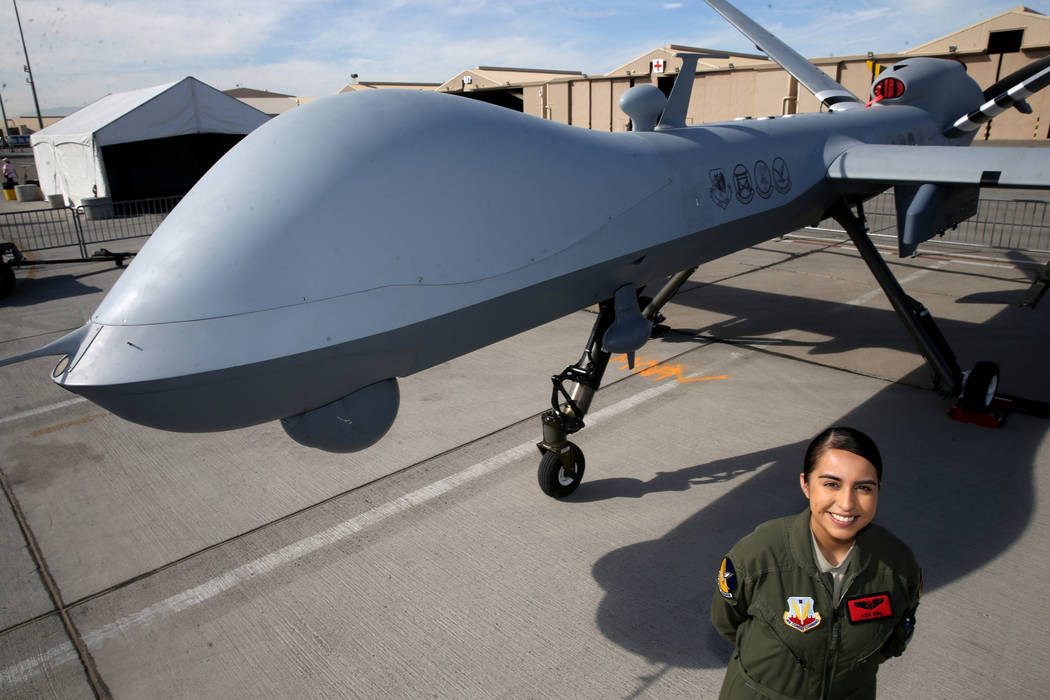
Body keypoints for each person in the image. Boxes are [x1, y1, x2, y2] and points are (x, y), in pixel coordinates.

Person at [711, 427, 921, 700]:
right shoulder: (758, 555)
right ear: (806, 484)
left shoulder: (898, 565)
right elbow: (727, 622)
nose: (846, 503)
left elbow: (894, 637)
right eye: (831, 484)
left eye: (864, 488)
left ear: (878, 491)